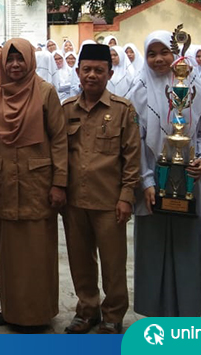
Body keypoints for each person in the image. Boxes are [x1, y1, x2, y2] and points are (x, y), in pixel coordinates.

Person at [0, 38, 67, 333]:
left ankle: (38, 313)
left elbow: (60, 140)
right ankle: (12, 309)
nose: (15, 65)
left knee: (38, 252)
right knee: (8, 252)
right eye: (9, 60)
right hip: (4, 183)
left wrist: (59, 183)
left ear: (30, 60)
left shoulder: (45, 92)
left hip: (38, 184)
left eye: (20, 59)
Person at [129, 31, 201, 317]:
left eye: (165, 52)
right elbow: (134, 143)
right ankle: (154, 317)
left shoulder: (194, 87)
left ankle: (187, 313)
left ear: (176, 55)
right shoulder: (137, 90)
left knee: (188, 247)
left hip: (189, 180)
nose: (159, 59)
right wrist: (147, 180)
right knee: (152, 250)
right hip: (150, 186)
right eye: (152, 53)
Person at [60, 44, 140, 334]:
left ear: (110, 73)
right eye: (86, 70)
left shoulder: (123, 110)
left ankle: (113, 314)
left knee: (113, 262)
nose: (91, 75)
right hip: (74, 200)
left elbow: (131, 158)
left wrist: (126, 197)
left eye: (99, 70)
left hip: (109, 201)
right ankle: (87, 310)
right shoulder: (67, 109)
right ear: (78, 72)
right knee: (80, 261)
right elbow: (59, 154)